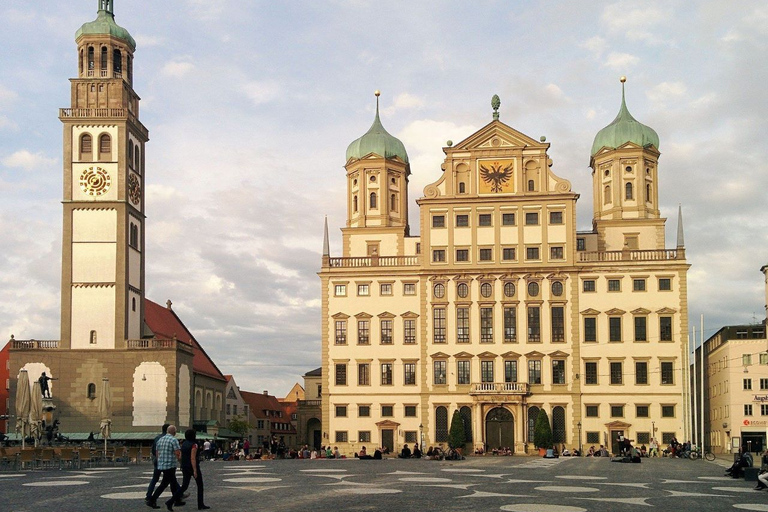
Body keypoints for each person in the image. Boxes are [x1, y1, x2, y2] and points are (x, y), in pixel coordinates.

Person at [168, 429, 209, 511]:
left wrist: (181, 465)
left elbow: (180, 457)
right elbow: (193, 458)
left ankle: (171, 501)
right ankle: (200, 504)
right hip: (192, 466)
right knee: (200, 485)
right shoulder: (194, 445)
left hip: (185, 466)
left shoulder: (184, 444)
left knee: (184, 486)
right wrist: (195, 470)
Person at [147, 425, 182, 510]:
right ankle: (152, 500)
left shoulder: (160, 440)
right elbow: (178, 453)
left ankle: (176, 500)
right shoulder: (174, 440)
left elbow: (157, 453)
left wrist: (160, 463)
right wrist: (181, 463)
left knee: (172, 482)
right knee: (165, 483)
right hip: (170, 465)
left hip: (162, 465)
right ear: (174, 432)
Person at [146, 424, 170, 504]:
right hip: (166, 461)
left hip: (157, 461)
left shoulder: (157, 438)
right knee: (170, 478)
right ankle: (179, 495)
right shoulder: (169, 438)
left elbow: (153, 450)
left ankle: (149, 495)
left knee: (155, 479)